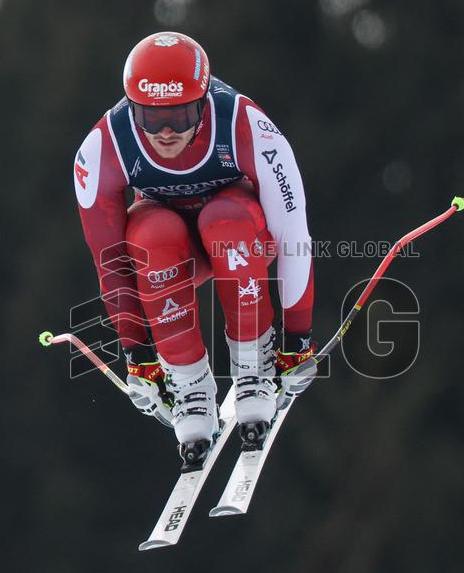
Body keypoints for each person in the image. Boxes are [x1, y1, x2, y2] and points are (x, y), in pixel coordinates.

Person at [72, 31, 317, 472]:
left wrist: (297, 338)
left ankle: (253, 366)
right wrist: (138, 355)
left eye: (182, 115)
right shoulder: (102, 147)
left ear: (204, 102)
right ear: (131, 108)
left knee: (225, 223)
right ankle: (189, 386)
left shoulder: (245, 124)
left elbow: (292, 231)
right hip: (174, 254)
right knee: (149, 236)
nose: (166, 132)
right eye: (150, 118)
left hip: (238, 236)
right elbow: (109, 263)